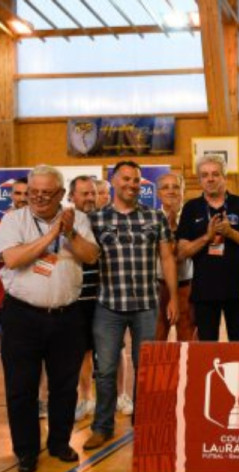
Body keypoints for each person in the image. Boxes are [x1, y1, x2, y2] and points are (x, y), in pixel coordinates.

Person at [0, 165, 100, 472]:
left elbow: (91, 256)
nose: (39, 198)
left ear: (62, 194)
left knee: (64, 386)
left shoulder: (77, 219)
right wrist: (53, 234)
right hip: (22, 316)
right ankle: (26, 451)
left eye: (46, 193)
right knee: (21, 388)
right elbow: (13, 258)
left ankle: (59, 443)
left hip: (67, 317)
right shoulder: (13, 220)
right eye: (33, 192)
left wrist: (69, 233)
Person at [85, 161, 179, 450]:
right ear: (113, 181)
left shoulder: (154, 217)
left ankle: (145, 420)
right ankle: (102, 427)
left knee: (146, 367)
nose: (131, 184)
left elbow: (167, 258)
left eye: (136, 180)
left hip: (146, 305)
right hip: (108, 306)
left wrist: (173, 297)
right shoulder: (96, 219)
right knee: (105, 370)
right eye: (125, 179)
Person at [176, 155, 239, 342]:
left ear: (224, 177)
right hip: (204, 291)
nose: (210, 179)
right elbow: (181, 252)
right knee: (207, 347)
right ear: (199, 180)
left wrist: (230, 233)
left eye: (215, 174)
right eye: (205, 175)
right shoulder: (191, 208)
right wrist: (207, 237)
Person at [67, 175, 99, 420]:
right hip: (76, 299)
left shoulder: (104, 220)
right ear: (71, 196)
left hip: (103, 298)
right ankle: (85, 398)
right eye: (84, 193)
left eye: (93, 193)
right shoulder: (64, 221)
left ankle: (117, 397)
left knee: (111, 352)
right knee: (81, 352)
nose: (90, 197)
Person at [155, 173, 195, 341]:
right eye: (165, 187)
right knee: (156, 338)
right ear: (158, 193)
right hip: (158, 286)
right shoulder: (151, 217)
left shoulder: (192, 216)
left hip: (187, 285)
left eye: (176, 187)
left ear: (183, 191)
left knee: (188, 339)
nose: (171, 191)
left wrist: (175, 225)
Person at [0, 177, 29, 320]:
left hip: (37, 298)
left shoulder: (43, 223)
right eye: (18, 193)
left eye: (27, 193)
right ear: (11, 195)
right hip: (7, 297)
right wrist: (7, 223)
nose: (22, 198)